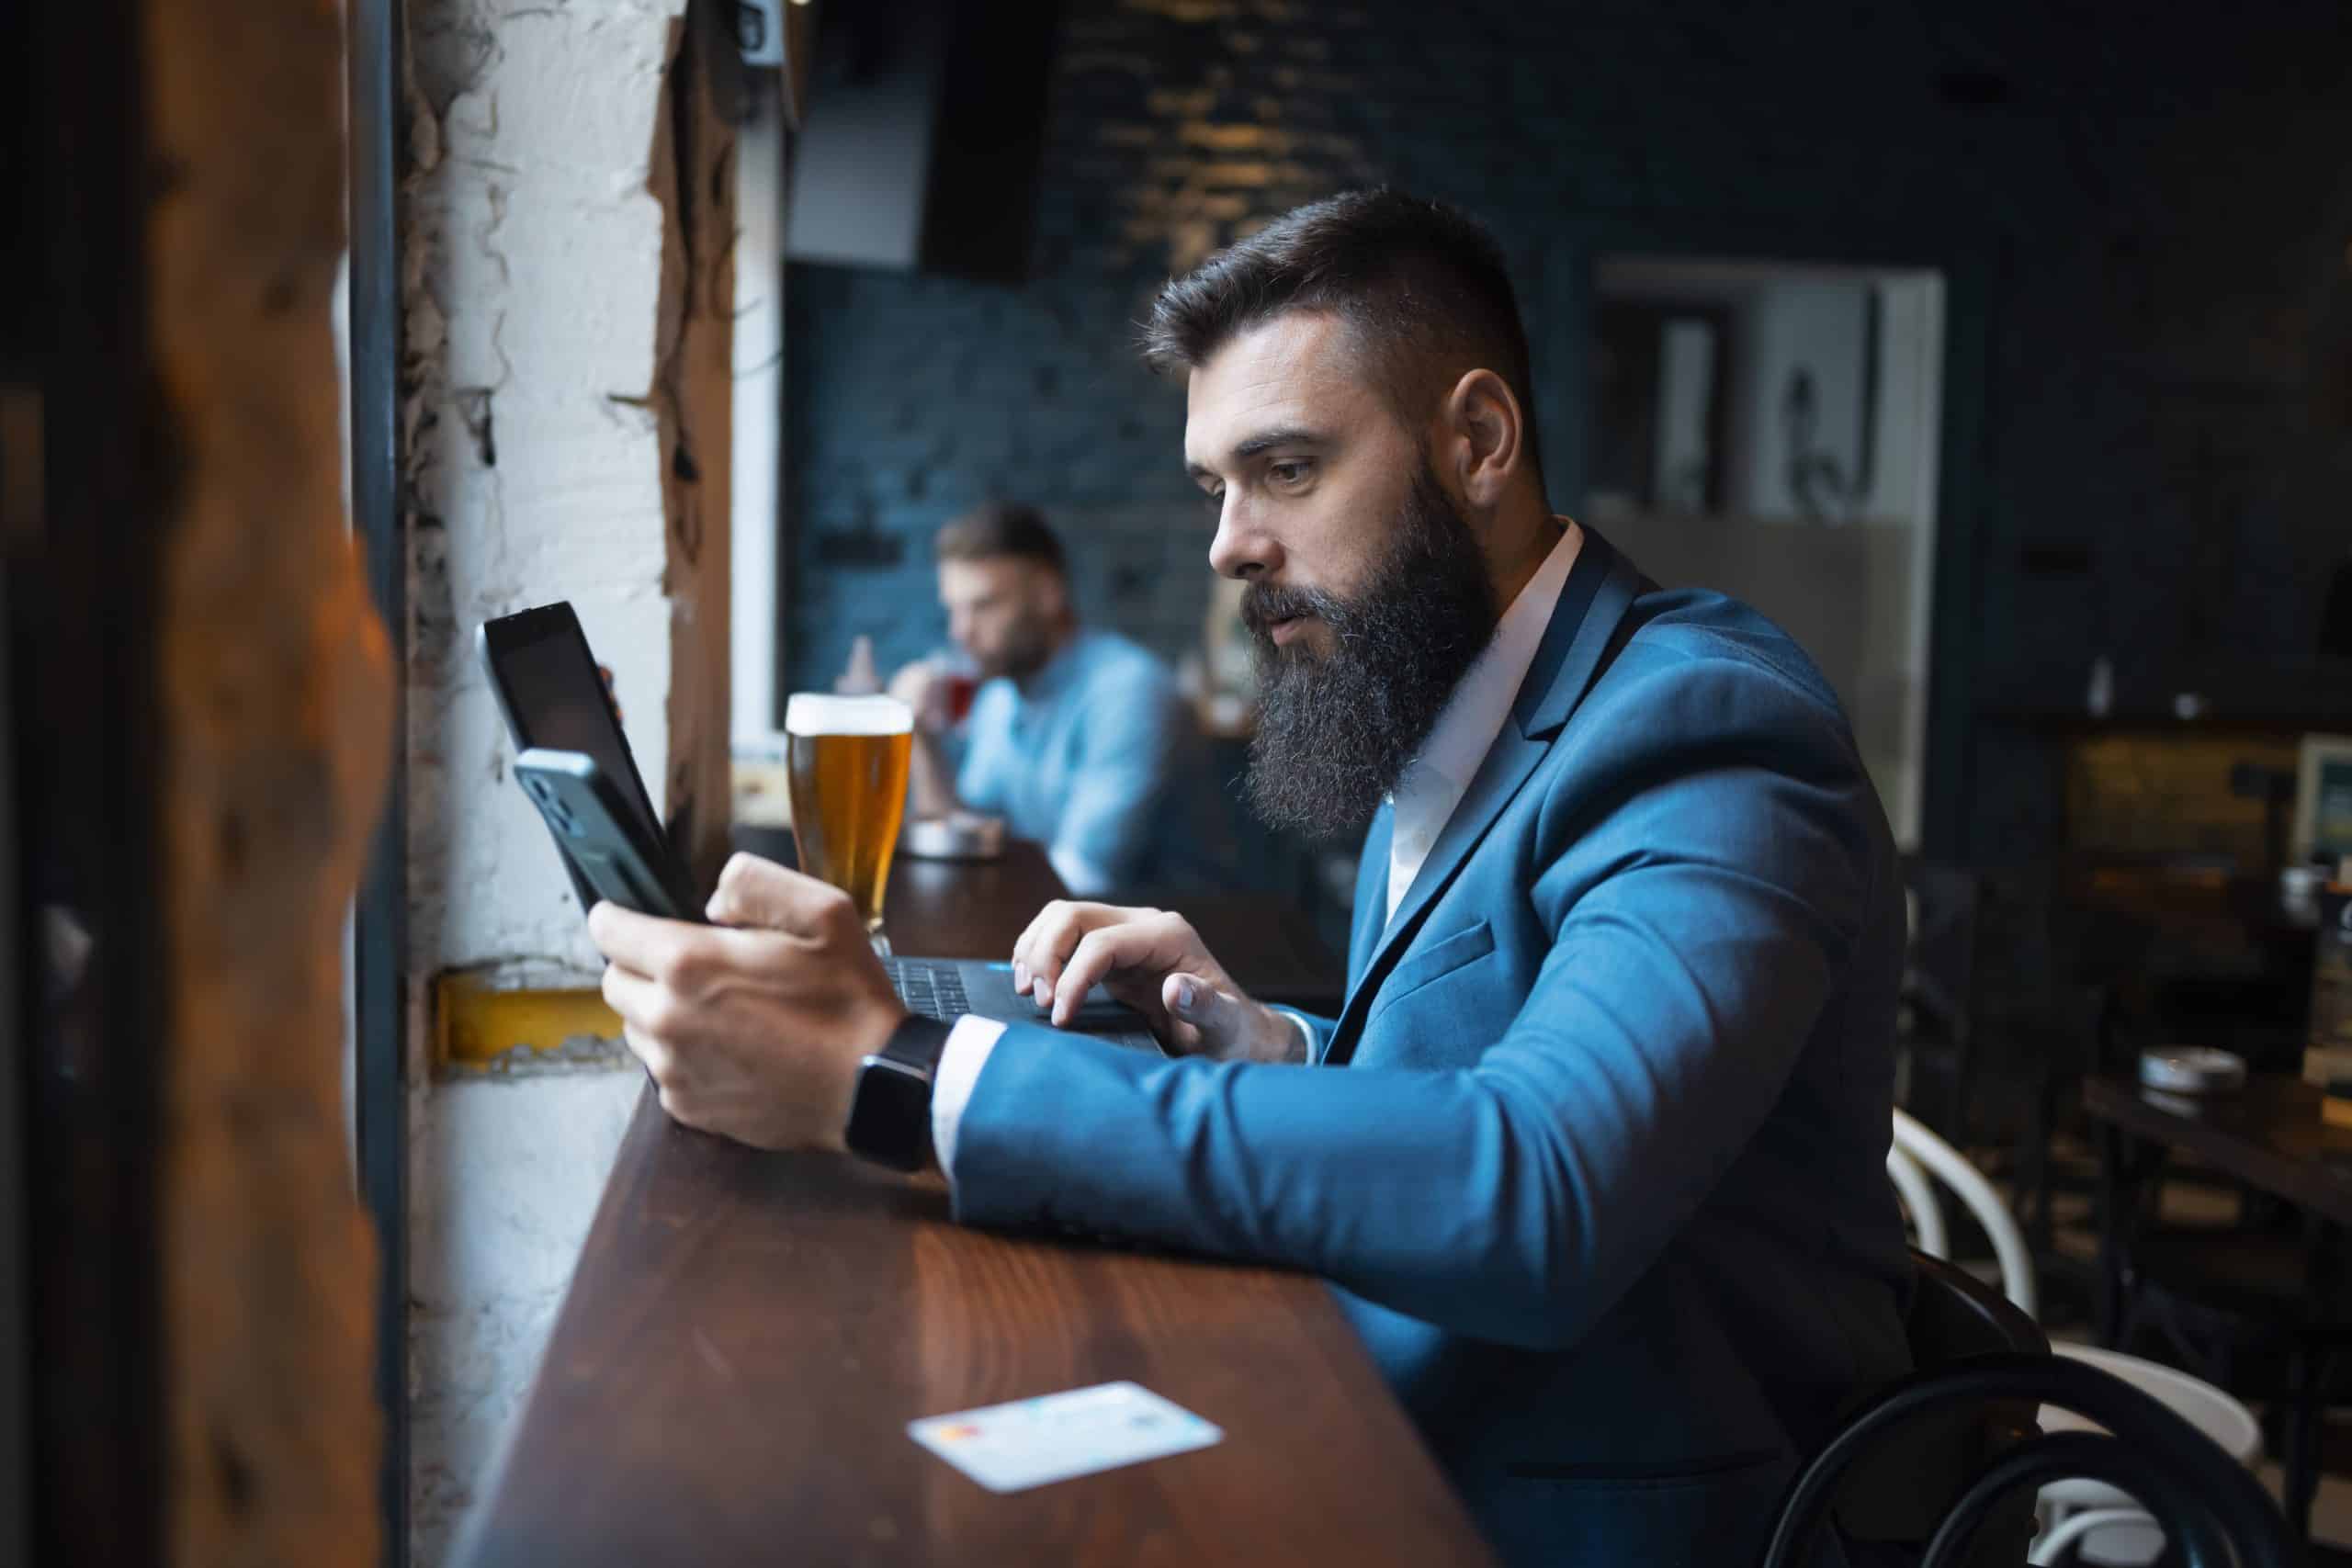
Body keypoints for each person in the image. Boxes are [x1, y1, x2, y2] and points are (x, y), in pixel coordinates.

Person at [589, 190, 1912, 1565]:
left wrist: (906, 1073)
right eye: (1216, 485)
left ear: (1477, 441)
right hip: (1401, 1423)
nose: (1226, 544)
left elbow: (1546, 1183)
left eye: (1285, 469)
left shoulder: (1705, 727)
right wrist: (1276, 1045)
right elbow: (1499, 1066)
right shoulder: (1457, 694)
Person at [887, 502, 1195, 897]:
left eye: (983, 606)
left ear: (1049, 593)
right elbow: (969, 839)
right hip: (1060, 931)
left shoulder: (1129, 693)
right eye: (954, 610)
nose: (961, 632)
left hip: (1180, 941)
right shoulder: (1000, 695)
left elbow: (1083, 878)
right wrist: (921, 740)